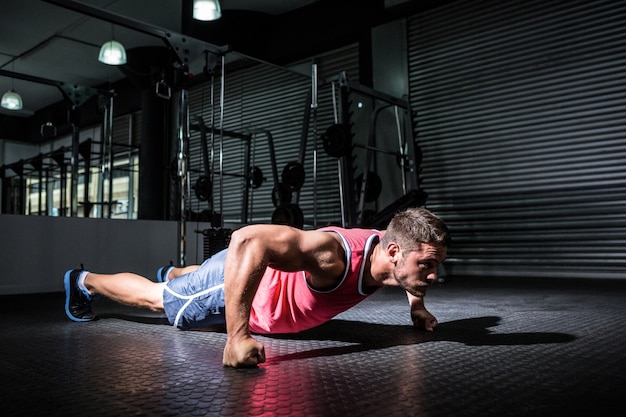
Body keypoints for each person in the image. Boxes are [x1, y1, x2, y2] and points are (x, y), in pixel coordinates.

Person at [64, 207, 450, 368]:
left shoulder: (394, 249)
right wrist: (237, 337)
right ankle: (84, 281)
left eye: (436, 266)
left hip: (253, 289)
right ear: (395, 251)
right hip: (244, 295)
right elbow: (248, 241)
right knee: (156, 301)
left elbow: (411, 271)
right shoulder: (334, 256)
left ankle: (179, 273)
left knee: (194, 279)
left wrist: (417, 305)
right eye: (427, 266)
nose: (432, 276)